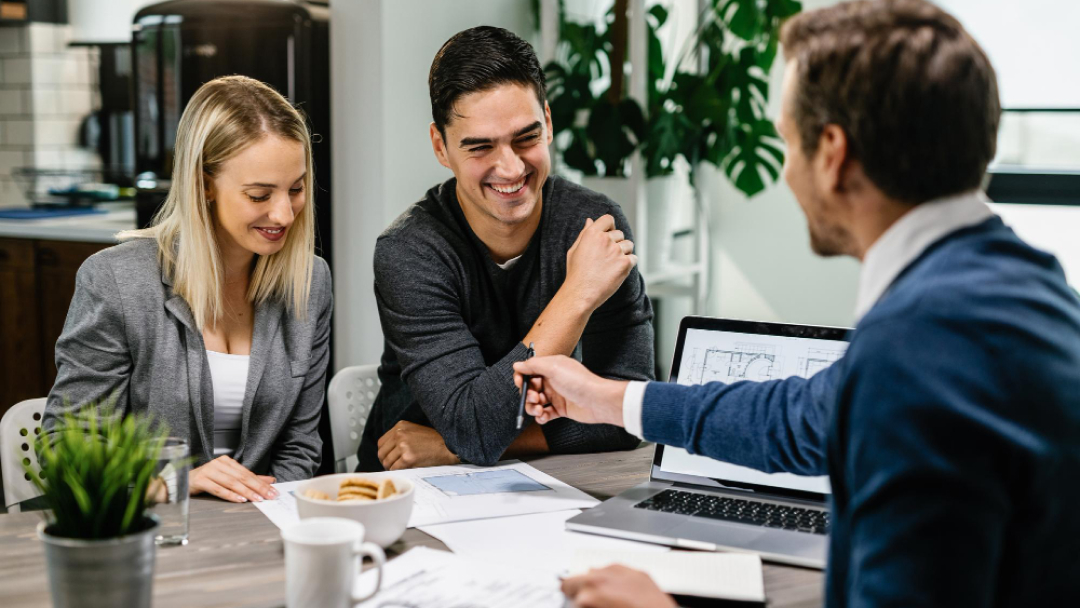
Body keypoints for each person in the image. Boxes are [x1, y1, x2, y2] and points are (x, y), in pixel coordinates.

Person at [514, 1, 1080, 606]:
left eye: (786, 142)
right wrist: (604, 398)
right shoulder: (1024, 290)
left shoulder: (920, 351)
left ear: (832, 153)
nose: (785, 171)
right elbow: (798, 417)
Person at [357, 26, 651, 472]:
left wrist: (459, 444)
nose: (511, 168)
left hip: (546, 484)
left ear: (548, 124)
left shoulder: (593, 227)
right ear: (441, 146)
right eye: (480, 147)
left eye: (525, 138)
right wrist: (578, 295)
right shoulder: (410, 252)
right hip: (415, 488)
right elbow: (475, 427)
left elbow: (629, 412)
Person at [44, 76, 333, 503]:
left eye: (296, 189)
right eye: (258, 195)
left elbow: (300, 445)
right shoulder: (116, 281)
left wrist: (263, 515)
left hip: (261, 528)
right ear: (203, 185)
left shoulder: (310, 282)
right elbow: (66, 451)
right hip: (150, 531)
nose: (284, 213)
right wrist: (176, 484)